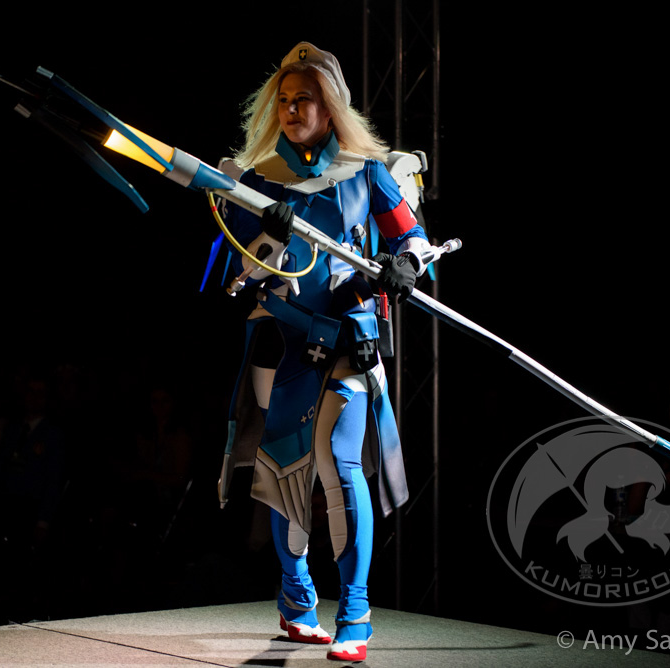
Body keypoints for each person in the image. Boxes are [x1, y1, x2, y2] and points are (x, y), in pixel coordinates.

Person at [216, 42, 430, 662]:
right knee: (286, 469)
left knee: (340, 462)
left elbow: (413, 236)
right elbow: (235, 273)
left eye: (303, 98)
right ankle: (296, 596)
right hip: (283, 341)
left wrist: (406, 264)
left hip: (348, 334)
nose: (290, 110)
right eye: (283, 100)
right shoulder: (256, 180)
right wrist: (267, 234)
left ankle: (356, 611)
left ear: (329, 106)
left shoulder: (366, 171)